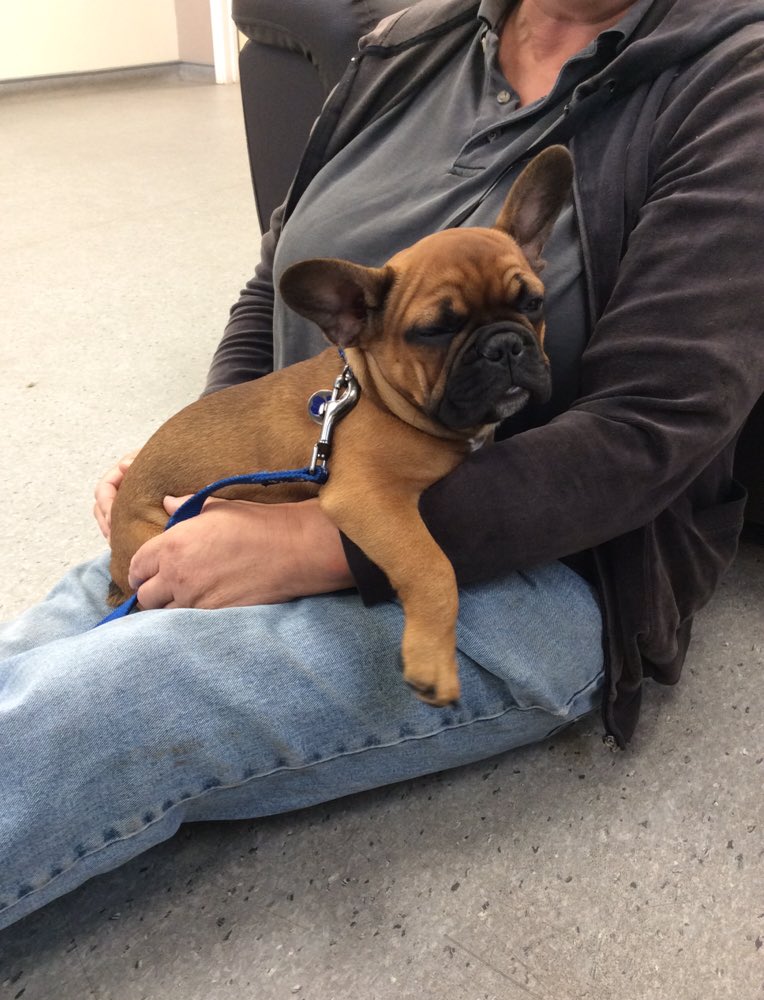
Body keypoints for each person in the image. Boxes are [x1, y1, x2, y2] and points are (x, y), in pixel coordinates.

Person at [1, 0, 763, 930]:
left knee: (86, 710)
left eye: (521, 310)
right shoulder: (404, 45)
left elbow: (650, 432)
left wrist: (317, 546)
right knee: (33, 658)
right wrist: (214, 460)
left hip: (543, 564)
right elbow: (267, 281)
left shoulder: (733, 76)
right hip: (295, 478)